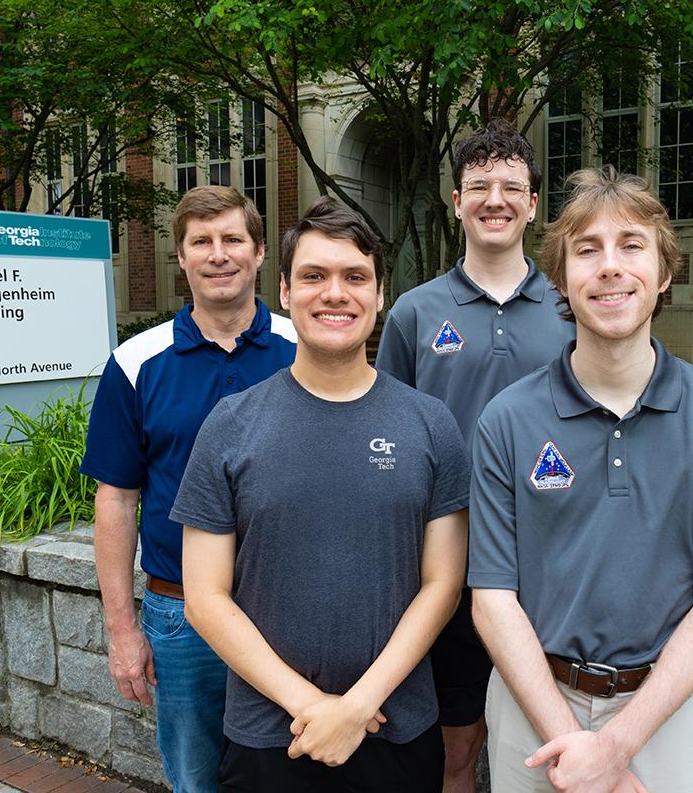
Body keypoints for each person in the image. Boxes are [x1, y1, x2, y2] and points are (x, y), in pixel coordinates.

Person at [469, 167, 693, 793]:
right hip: (534, 707)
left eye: (631, 246)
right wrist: (572, 745)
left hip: (668, 709)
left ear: (664, 272)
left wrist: (616, 749)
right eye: (586, 250)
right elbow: (493, 602)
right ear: (562, 278)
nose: (610, 267)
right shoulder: (507, 419)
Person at [172, 197, 470, 792]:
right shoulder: (230, 425)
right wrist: (312, 707)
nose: (335, 293)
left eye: (355, 277)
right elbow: (204, 597)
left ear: (381, 293)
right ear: (284, 290)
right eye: (314, 276)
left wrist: (358, 707)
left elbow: (443, 584)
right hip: (267, 734)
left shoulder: (431, 424)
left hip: (396, 729)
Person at [375, 118, 574, 792]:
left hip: (550, 566)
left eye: (512, 186)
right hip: (446, 568)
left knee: (550, 749)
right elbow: (389, 435)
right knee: (455, 753)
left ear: (533, 204)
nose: (496, 199)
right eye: (479, 185)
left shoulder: (572, 308)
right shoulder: (414, 313)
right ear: (455, 201)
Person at [80, 186, 295, 793]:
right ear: (181, 257)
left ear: (258, 254)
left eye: (232, 240)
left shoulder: (305, 350)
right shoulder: (135, 363)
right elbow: (116, 500)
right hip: (179, 616)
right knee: (195, 778)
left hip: (284, 607)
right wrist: (124, 630)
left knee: (290, 772)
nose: (218, 254)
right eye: (201, 241)